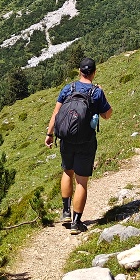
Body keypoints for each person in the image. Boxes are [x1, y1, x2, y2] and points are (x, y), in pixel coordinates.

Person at [45, 57, 112, 234]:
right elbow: (107, 115)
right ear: (94, 72)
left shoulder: (68, 88)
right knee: (81, 181)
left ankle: (66, 212)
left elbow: (56, 113)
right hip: (86, 141)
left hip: (66, 139)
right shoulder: (96, 92)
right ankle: (76, 222)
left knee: (67, 171)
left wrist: (49, 134)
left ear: (79, 71)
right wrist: (101, 96)